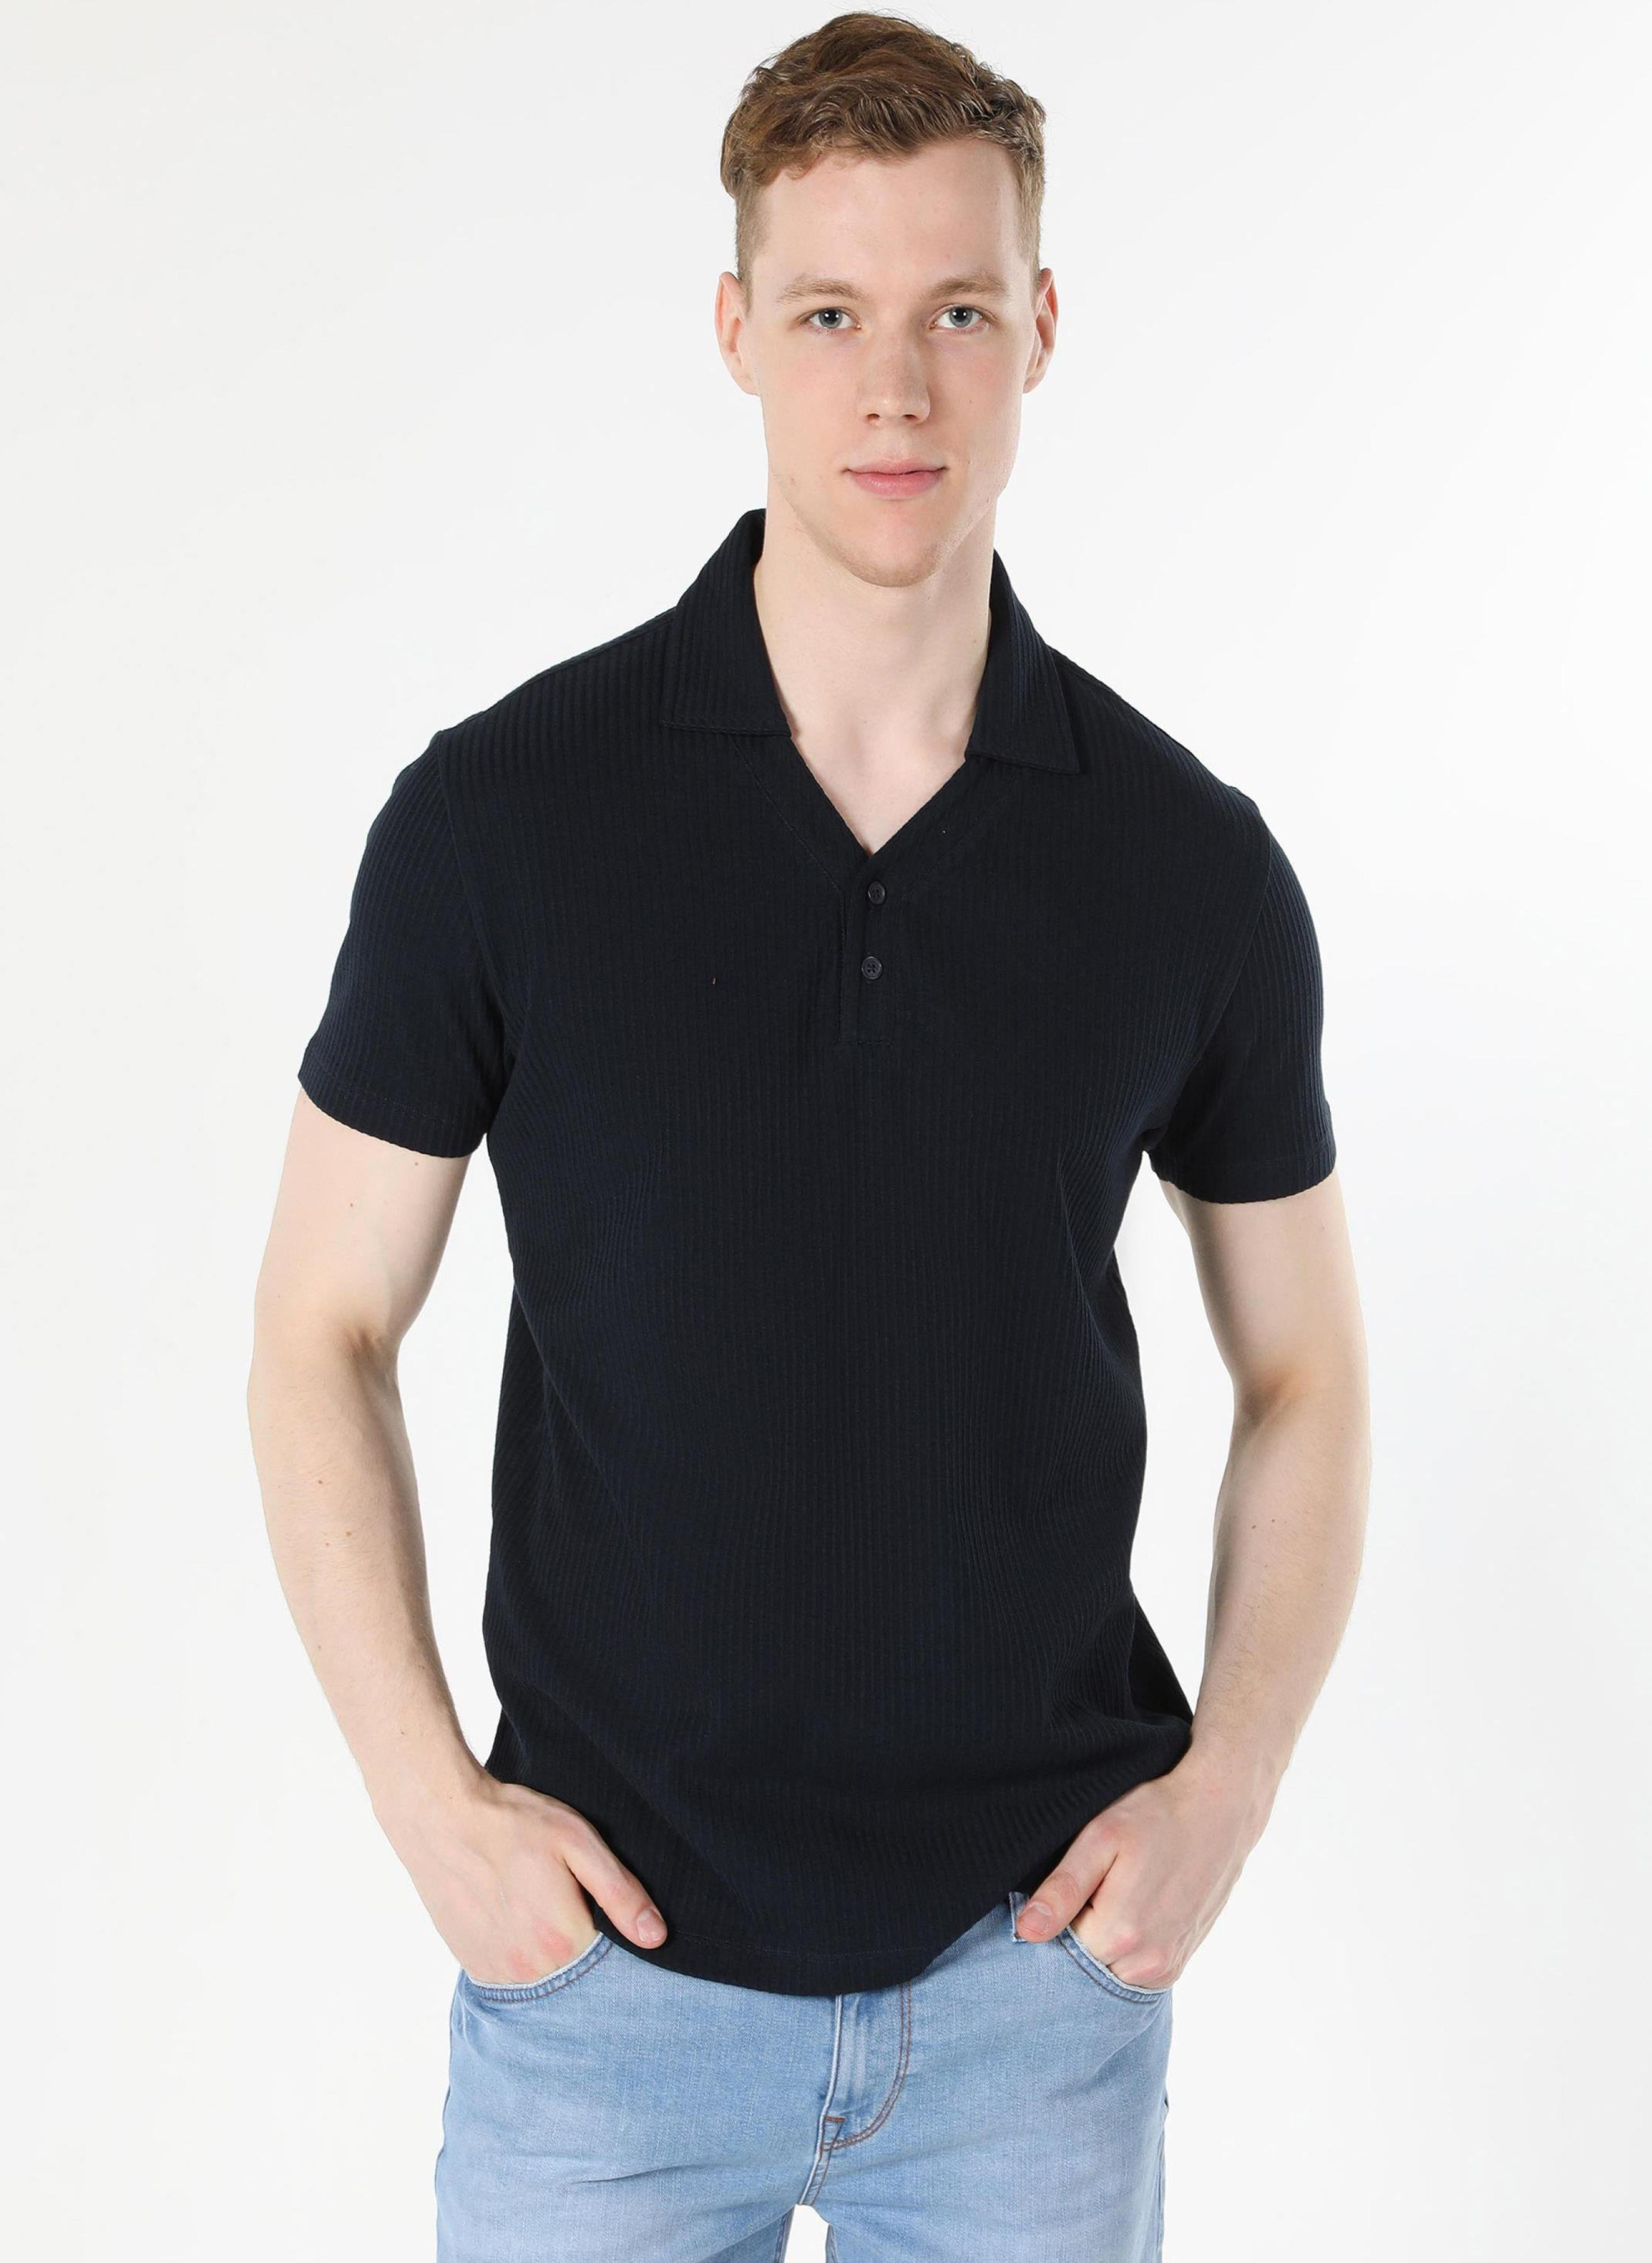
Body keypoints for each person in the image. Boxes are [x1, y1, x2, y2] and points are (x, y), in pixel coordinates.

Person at [247, 13, 1371, 2260]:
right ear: (735, 329)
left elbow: (1308, 1371)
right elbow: (317, 1330)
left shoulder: (1184, 865)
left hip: (1031, 1991)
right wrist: (428, 1805)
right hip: (603, 1995)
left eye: (956, 311)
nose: (896, 391)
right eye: (833, 315)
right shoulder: (501, 820)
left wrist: (1226, 1787)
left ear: (1038, 329)